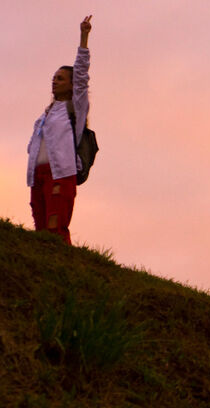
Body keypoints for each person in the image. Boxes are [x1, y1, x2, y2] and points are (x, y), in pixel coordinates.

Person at [26, 16, 93, 244]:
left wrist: (83, 37)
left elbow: (82, 74)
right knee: (40, 228)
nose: (54, 82)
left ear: (72, 85)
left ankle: (64, 265)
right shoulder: (44, 115)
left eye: (61, 78)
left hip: (61, 173)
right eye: (54, 78)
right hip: (37, 175)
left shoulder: (76, 108)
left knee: (55, 226)